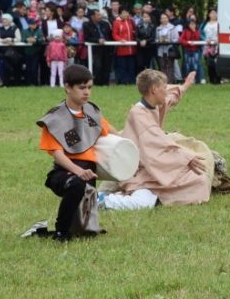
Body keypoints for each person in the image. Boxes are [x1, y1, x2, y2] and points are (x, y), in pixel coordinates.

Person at [100, 69, 208, 211]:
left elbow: (172, 96)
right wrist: (186, 157)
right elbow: (158, 142)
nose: (166, 90)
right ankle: (104, 201)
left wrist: (186, 85)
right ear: (154, 89)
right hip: (139, 170)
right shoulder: (138, 114)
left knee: (199, 181)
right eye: (164, 87)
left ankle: (154, 196)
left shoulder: (156, 104)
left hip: (152, 165)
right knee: (145, 201)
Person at [33, 64, 117, 241]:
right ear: (68, 88)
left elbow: (113, 134)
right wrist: (78, 171)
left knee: (85, 230)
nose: (87, 92)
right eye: (81, 87)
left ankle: (74, 229)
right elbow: (57, 154)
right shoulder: (55, 119)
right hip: (63, 173)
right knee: (77, 184)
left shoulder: (92, 112)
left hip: (89, 171)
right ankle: (60, 232)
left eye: (89, 87)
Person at [82, 9, 113, 85]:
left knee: (106, 66)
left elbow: (110, 36)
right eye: (98, 15)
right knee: (97, 66)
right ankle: (97, 83)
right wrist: (97, 40)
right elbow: (87, 37)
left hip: (106, 48)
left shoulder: (105, 24)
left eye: (100, 15)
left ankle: (106, 83)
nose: (100, 16)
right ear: (92, 16)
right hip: (95, 49)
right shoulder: (86, 25)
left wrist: (105, 40)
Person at [112, 6, 137, 85]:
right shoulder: (117, 22)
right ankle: (123, 82)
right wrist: (120, 40)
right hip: (122, 49)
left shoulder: (131, 21)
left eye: (127, 12)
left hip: (131, 48)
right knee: (122, 66)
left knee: (131, 66)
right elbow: (114, 34)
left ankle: (131, 81)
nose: (125, 14)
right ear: (120, 13)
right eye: (123, 12)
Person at [156, 12, 179, 83]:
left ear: (168, 19)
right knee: (162, 66)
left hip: (170, 50)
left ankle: (170, 81)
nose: (164, 19)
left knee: (170, 66)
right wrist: (159, 40)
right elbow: (156, 39)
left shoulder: (173, 27)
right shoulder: (158, 28)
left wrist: (168, 40)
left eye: (165, 18)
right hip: (161, 50)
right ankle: (163, 82)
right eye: (162, 18)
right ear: (160, 20)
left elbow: (176, 38)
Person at [202, 8, 221, 84]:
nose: (213, 15)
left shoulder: (219, 23)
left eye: (215, 13)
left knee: (217, 63)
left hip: (217, 46)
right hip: (208, 47)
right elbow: (202, 34)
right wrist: (206, 40)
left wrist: (218, 40)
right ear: (209, 15)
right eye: (212, 13)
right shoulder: (205, 25)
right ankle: (211, 80)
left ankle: (218, 80)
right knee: (210, 63)